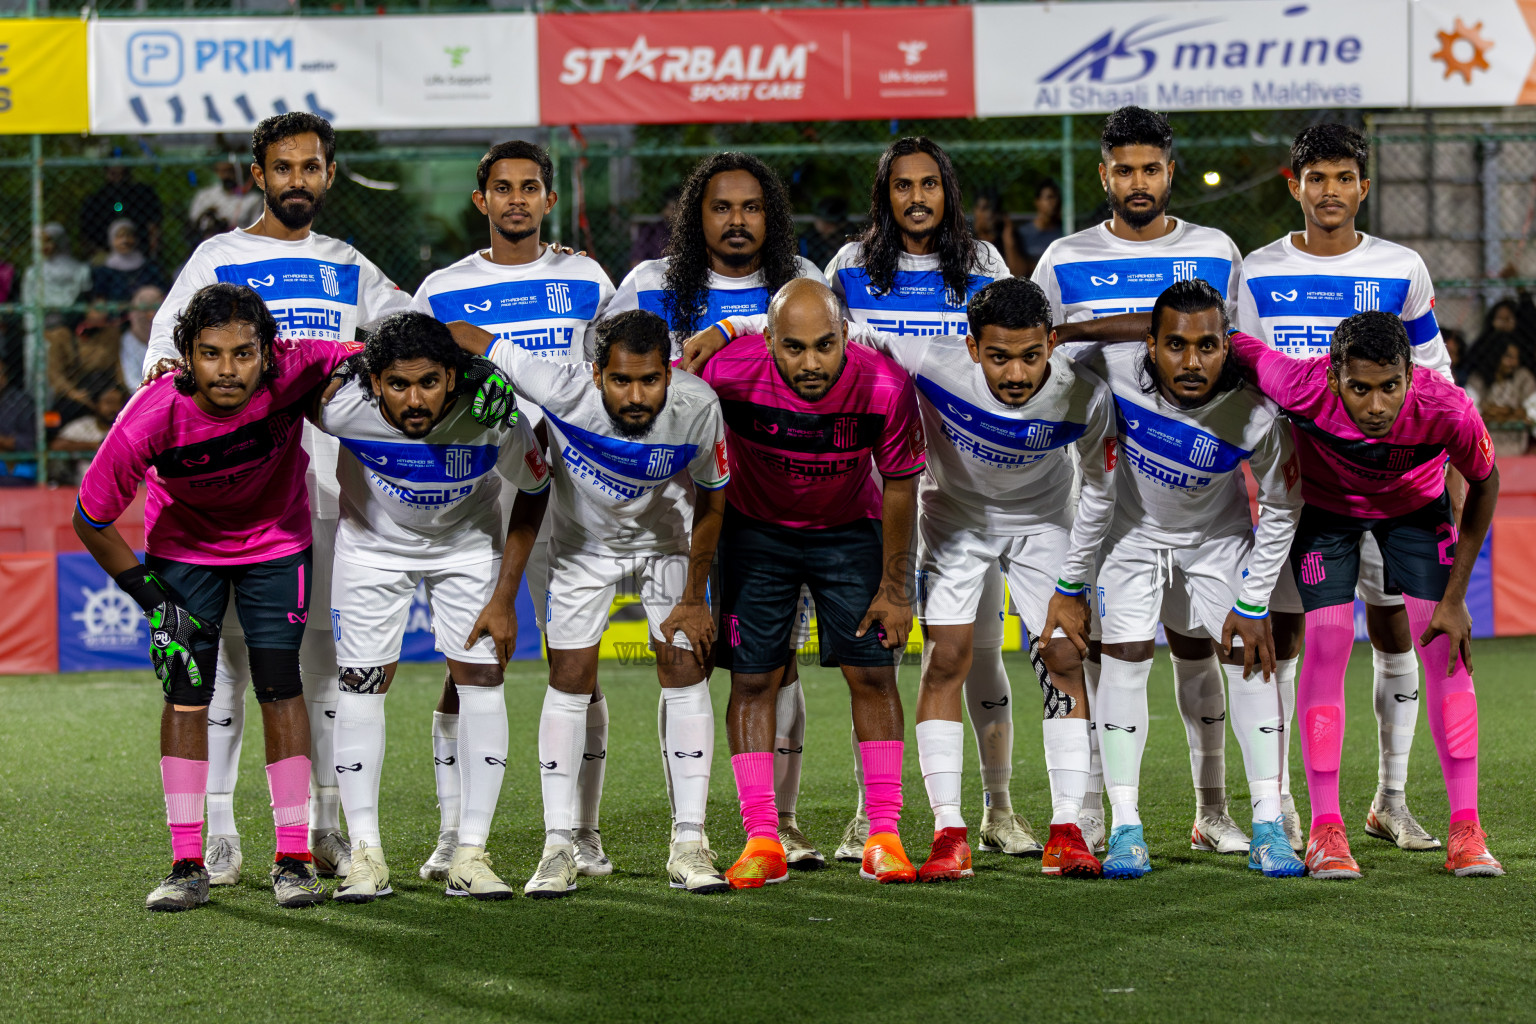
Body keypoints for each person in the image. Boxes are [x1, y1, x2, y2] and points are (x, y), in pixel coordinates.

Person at [694, 276, 1116, 881]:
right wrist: (730, 326)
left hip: (1039, 523)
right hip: (948, 522)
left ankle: (1067, 828)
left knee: (1061, 657)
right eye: (998, 356)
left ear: (1051, 343)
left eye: (1030, 356)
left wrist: (1071, 586)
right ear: (972, 348)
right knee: (941, 660)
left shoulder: (1084, 396)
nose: (1017, 374)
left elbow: (1099, 491)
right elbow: (819, 329)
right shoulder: (929, 359)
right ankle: (945, 833)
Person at [141, 111, 412, 888]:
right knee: (223, 667)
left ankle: (320, 829)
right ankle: (219, 833)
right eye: (283, 167)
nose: (299, 179)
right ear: (257, 174)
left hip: (332, 489)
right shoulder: (218, 258)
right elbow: (165, 354)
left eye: (312, 166)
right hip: (237, 498)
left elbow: (408, 335)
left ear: (330, 174)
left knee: (317, 664)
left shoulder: (347, 264)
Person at [71, 283, 351, 912]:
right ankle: (187, 861)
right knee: (185, 690)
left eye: (243, 354)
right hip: (183, 555)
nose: (228, 370)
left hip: (277, 544)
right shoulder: (150, 414)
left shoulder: (301, 363)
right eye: (211, 354)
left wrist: (468, 371)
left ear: (268, 353)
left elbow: (381, 355)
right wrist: (152, 600)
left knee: (281, 684)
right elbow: (89, 517)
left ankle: (293, 858)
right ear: (186, 356)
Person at [454, 309, 732, 899]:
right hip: (580, 549)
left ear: (668, 373)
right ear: (595, 372)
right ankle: (559, 846)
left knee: (684, 663)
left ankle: (690, 842)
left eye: (651, 380)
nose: (637, 396)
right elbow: (468, 336)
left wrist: (693, 598)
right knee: (570, 678)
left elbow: (713, 501)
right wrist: (372, 348)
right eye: (621, 380)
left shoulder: (698, 406)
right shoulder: (558, 385)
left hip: (664, 543)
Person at [1238, 122, 1457, 854]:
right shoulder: (1258, 271)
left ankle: (1390, 800)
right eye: (1315, 178)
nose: (1329, 192)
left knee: (1394, 628)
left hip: (1392, 489)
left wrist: (1438, 477)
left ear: (1365, 185)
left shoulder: (1402, 267)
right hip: (1302, 492)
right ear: (1291, 184)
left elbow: (1433, 378)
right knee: (1296, 637)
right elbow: (1247, 378)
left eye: (1343, 178)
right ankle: (1291, 808)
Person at [1226, 311, 1504, 879]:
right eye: (1359, 388)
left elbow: (1486, 481)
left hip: (1415, 514)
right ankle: (1328, 830)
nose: (1376, 406)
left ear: (1409, 374)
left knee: (1445, 652)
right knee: (1327, 643)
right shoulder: (1297, 383)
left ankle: (1466, 829)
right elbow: (1227, 341)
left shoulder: (1447, 406)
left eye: (1389, 387)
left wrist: (1455, 597)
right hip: (1326, 518)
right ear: (1332, 378)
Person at [1044, 279, 1306, 880]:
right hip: (1129, 537)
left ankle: (1268, 822)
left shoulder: (1258, 410)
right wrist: (1075, 329)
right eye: (1176, 346)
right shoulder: (1107, 367)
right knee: (1125, 659)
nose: (1192, 362)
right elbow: (1047, 358)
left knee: (1247, 655)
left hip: (1217, 538)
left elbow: (1283, 504)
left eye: (1209, 346)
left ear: (1228, 346)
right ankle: (1126, 826)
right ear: (1150, 344)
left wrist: (1255, 598)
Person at [1037, 105, 1246, 856]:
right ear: (1103, 174)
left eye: (1150, 168)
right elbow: (1040, 353)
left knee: (1200, 652)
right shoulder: (1062, 259)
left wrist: (1099, 328)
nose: (1137, 182)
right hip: (1101, 501)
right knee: (1102, 655)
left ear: (1169, 170)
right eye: (1122, 169)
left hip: (1201, 501)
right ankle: (1096, 808)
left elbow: (1238, 352)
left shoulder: (1217, 251)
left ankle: (1212, 808)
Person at [410, 138, 615, 881]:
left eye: (531, 187)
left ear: (549, 201)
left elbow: (615, 368)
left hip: (577, 485)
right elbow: (411, 376)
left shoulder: (587, 277)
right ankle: (449, 833)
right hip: (481, 490)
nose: (518, 199)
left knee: (578, 658)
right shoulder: (439, 290)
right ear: (482, 200)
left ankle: (583, 834)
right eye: (503, 188)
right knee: (466, 659)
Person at [819, 136, 1027, 867]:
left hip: (970, 489)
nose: (917, 198)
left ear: (948, 192)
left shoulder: (984, 267)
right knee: (879, 661)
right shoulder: (848, 268)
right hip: (882, 491)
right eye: (903, 186)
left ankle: (998, 807)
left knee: (975, 657)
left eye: (929, 185)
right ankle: (867, 812)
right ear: (885, 194)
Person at [684, 278, 925, 889]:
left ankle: (884, 834)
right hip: (755, 532)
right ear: (768, 341)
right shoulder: (725, 375)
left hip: (849, 530)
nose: (811, 363)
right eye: (794, 348)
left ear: (845, 335)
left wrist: (896, 589)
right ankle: (762, 837)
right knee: (753, 677)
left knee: (872, 673)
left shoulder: (885, 386)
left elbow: (901, 485)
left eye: (824, 345)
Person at [314, 312, 549, 903]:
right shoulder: (340, 407)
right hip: (370, 550)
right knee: (362, 686)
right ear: (373, 383)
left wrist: (505, 596)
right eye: (397, 385)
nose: (414, 400)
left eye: (429, 383)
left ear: (453, 375)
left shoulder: (495, 416)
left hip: (466, 549)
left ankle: (471, 853)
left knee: (482, 682)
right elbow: (287, 375)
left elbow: (536, 491)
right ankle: (365, 854)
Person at [610, 152, 826, 357]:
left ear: (770, 216)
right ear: (698, 216)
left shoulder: (803, 278)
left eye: (751, 207)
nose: (737, 220)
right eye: (722, 208)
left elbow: (838, 346)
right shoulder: (647, 283)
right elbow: (603, 361)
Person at [47, 298, 125, 428]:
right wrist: (72, 393)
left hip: (104, 388)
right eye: (98, 310)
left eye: (105, 310)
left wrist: (120, 390)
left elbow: (117, 366)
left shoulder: (111, 334)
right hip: (75, 390)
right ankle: (49, 440)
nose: (103, 314)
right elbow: (54, 373)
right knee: (51, 419)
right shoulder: (62, 335)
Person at [23, 223, 92, 357]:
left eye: (48, 240)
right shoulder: (33, 273)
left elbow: (84, 300)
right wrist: (36, 330)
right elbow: (28, 308)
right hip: (40, 330)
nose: (45, 246)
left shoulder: (80, 270)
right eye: (41, 242)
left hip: (71, 327)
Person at [1466, 339, 1535, 457]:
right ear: (1496, 356)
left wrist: (1498, 412)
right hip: (1482, 448)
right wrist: (1510, 413)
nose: (1514, 362)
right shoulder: (1479, 378)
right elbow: (1470, 413)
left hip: (1518, 446)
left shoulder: (1524, 377)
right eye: (1508, 357)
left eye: (1516, 358)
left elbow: (1532, 413)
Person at [80, 165, 162, 260]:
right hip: (105, 254)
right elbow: (86, 236)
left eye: (121, 174)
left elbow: (153, 228)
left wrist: (153, 253)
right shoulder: (97, 199)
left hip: (139, 253)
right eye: (113, 173)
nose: (117, 178)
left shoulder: (142, 194)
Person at [50, 383, 125, 485]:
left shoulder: (126, 427)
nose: (114, 408)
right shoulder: (84, 425)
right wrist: (94, 445)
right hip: (85, 487)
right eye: (108, 402)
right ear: (97, 404)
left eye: (118, 403)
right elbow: (56, 446)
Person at [91, 220, 166, 303]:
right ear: (111, 240)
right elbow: (99, 299)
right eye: (119, 236)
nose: (125, 241)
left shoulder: (148, 268)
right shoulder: (104, 271)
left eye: (129, 235)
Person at [188, 159, 263, 236]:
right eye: (223, 171)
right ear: (216, 172)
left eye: (230, 171)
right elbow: (193, 223)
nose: (226, 176)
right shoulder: (205, 196)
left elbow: (257, 228)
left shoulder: (253, 199)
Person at [972, 190, 1027, 278]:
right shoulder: (966, 237)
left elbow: (1018, 274)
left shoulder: (1008, 238)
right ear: (975, 211)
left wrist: (1009, 243)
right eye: (984, 208)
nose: (989, 214)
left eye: (994, 209)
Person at [0, 358, 37, 487]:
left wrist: (3, 442)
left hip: (16, 467)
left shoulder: (22, 403)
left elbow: (30, 442)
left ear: (4, 377)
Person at [119, 285, 162, 389]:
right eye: (146, 309)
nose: (150, 315)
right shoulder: (129, 340)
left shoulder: (173, 335)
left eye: (154, 308)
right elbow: (132, 380)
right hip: (143, 395)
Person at [1018, 179, 1065, 276]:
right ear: (1037, 201)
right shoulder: (1023, 233)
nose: (1054, 202)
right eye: (1049, 197)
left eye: (1057, 198)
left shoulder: (1064, 232)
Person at [630, 184, 680, 269]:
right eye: (671, 209)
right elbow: (636, 263)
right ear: (663, 209)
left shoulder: (691, 232)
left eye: (678, 209)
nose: (675, 214)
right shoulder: (651, 231)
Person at [798, 196, 849, 268]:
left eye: (832, 223)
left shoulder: (847, 241)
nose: (827, 226)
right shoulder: (805, 240)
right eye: (824, 221)